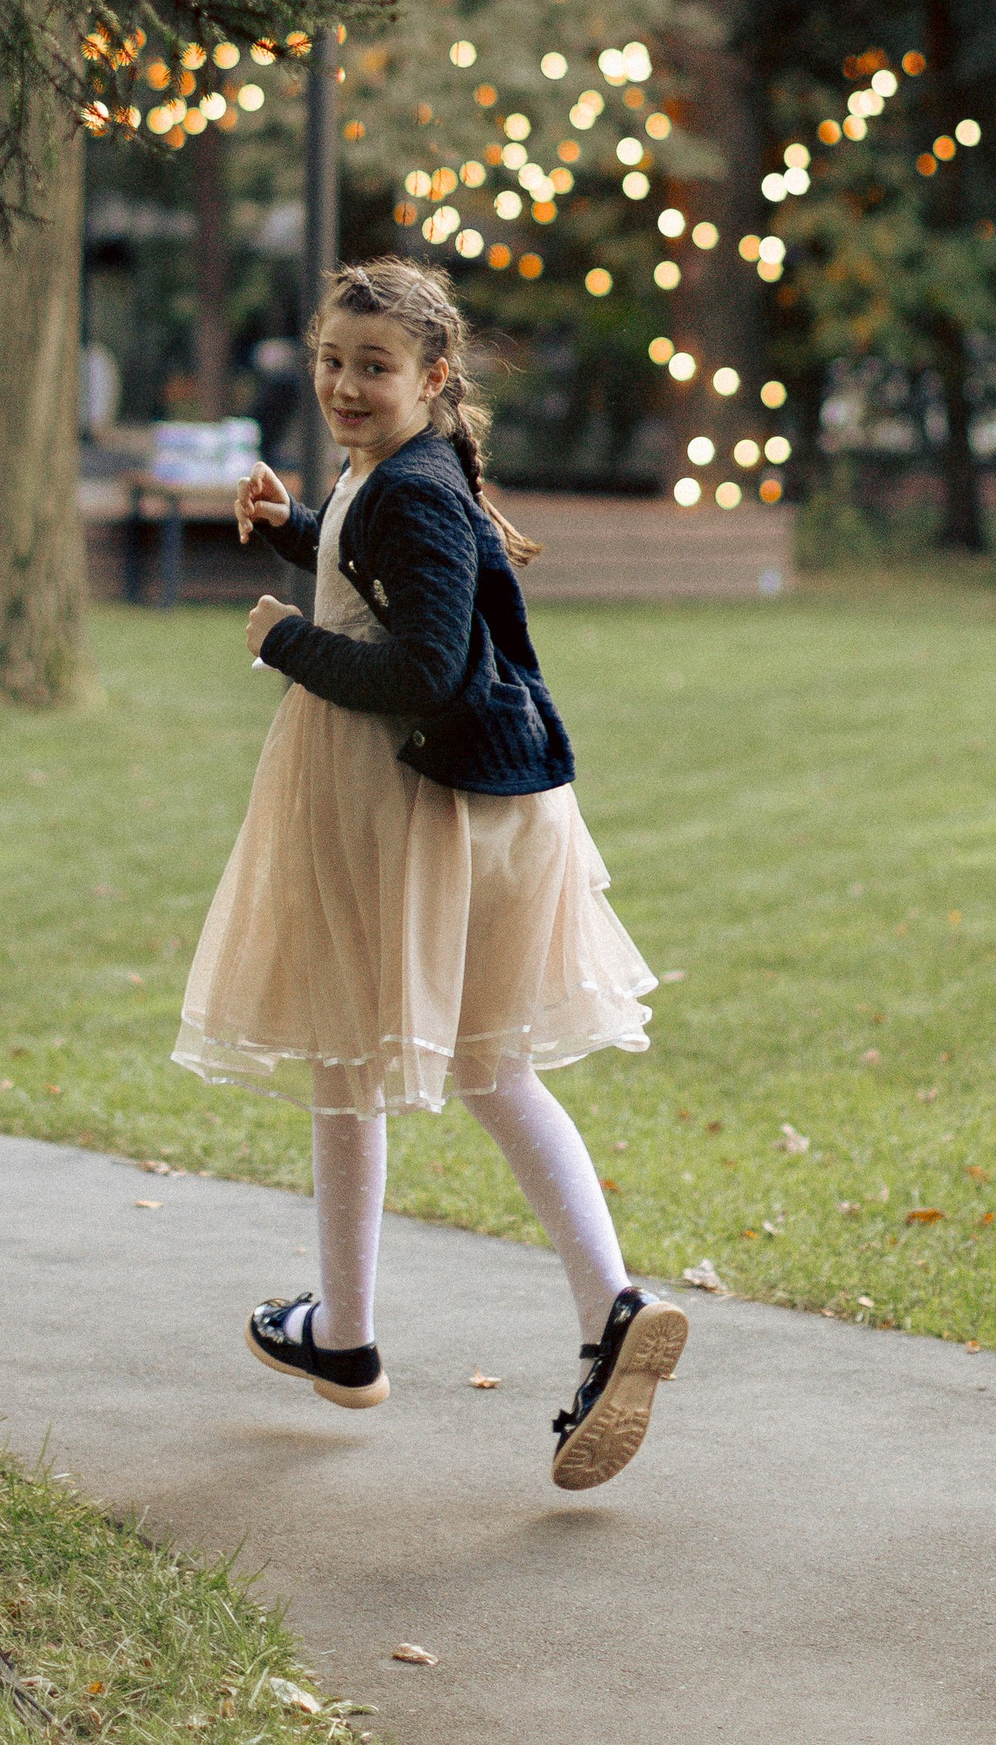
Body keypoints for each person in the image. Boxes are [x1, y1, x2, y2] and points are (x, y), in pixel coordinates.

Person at [173, 256, 686, 1490]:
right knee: (403, 1053)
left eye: (376, 366)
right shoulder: (396, 474)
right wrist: (301, 525)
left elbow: (425, 669)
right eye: (334, 361)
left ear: (434, 376)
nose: (347, 385)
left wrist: (283, 638)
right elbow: (388, 572)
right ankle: (353, 1334)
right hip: (425, 800)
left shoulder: (412, 488)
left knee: (416, 1053)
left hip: (416, 804)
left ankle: (588, 1309)